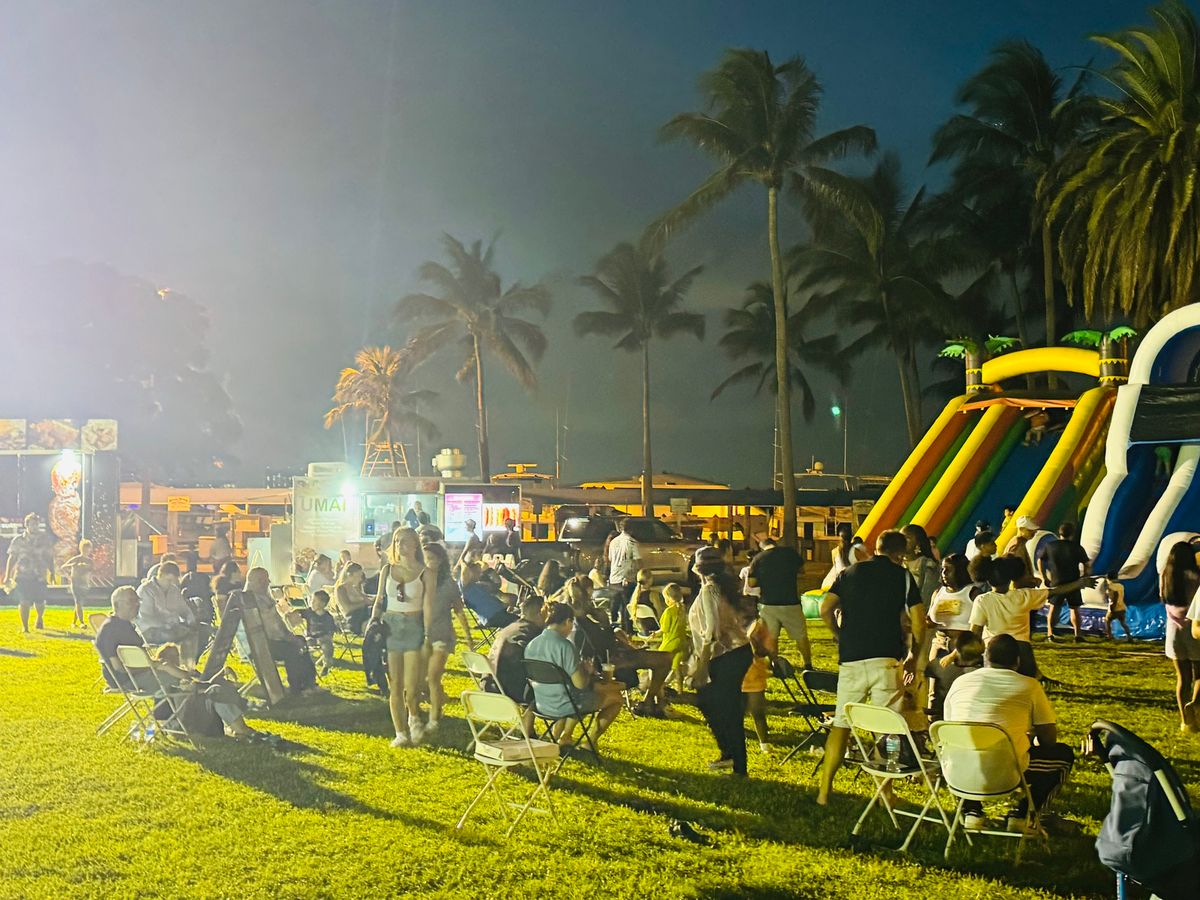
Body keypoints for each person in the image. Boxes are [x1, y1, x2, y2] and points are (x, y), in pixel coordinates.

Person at [816, 530, 926, 806]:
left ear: (876, 548)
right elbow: (918, 620)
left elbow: (824, 608)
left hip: (851, 659)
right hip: (885, 660)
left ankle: (824, 792)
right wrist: (915, 652)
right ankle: (885, 793)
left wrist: (838, 634)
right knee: (889, 729)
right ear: (901, 554)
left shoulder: (850, 572)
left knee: (841, 726)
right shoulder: (902, 576)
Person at [943, 634, 1076, 833]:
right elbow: (1049, 740)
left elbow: (949, 729)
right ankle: (1023, 815)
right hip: (1007, 774)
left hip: (957, 772)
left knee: (970, 745)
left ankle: (972, 811)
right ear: (1017, 662)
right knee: (1063, 755)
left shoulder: (960, 682)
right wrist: (1030, 739)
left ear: (985, 658)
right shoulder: (1030, 686)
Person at [95, 586, 261, 739]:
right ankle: (193, 723)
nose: (137, 604)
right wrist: (158, 666)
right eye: (132, 601)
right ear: (118, 604)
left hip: (140, 674)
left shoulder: (121, 625)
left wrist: (160, 666)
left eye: (137, 600)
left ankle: (224, 716)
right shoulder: (112, 629)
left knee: (192, 681)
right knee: (192, 684)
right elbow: (118, 667)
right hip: (129, 679)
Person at [967, 555, 1094, 679]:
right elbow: (1054, 591)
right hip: (1023, 656)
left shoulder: (982, 601)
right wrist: (1079, 583)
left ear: (988, 579)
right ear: (1011, 578)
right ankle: (1036, 677)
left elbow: (974, 634)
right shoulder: (1024, 596)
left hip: (994, 655)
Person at [564, 579, 673, 716]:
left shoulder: (571, 620)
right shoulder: (583, 625)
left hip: (606, 660)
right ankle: (649, 702)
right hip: (609, 664)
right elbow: (605, 647)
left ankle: (653, 702)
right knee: (665, 659)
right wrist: (606, 624)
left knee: (662, 659)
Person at [689, 547, 754, 776]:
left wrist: (701, 666)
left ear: (697, 569)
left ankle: (738, 765)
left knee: (725, 709)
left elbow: (711, 632)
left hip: (726, 654)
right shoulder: (723, 587)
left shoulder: (709, 590)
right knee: (711, 703)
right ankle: (729, 754)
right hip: (738, 652)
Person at [524, 601, 624, 747]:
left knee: (570, 691)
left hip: (541, 702)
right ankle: (590, 742)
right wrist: (587, 671)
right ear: (567, 621)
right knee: (616, 699)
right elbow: (581, 684)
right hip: (566, 704)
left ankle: (564, 736)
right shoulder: (565, 646)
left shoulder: (532, 644)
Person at [370, 528, 433, 747]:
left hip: (414, 626)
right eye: (397, 542)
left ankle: (414, 716)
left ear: (415, 545)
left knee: (413, 684)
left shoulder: (425, 572)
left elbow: (428, 605)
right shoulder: (387, 570)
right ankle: (400, 732)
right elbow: (379, 599)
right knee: (395, 683)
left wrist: (428, 633)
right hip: (392, 625)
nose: (401, 546)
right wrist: (373, 621)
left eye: (405, 542)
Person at [241, 567, 319, 695]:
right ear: (251, 581)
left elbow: (278, 623)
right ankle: (297, 688)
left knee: (300, 641)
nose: (266, 582)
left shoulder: (265, 597)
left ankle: (310, 683)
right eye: (262, 580)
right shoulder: (248, 601)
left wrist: (290, 635)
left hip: (272, 639)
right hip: (258, 644)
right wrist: (288, 638)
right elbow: (267, 627)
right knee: (291, 649)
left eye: (266, 579)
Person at [422, 541, 472, 732]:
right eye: (425, 558)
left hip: (441, 635)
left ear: (441, 560)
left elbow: (459, 611)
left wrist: (468, 637)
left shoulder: (448, 584)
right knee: (420, 679)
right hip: (420, 635)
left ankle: (434, 718)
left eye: (431, 559)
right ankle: (431, 704)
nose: (428, 562)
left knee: (433, 677)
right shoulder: (417, 581)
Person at [746, 533, 811, 671]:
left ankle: (775, 663)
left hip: (768, 603)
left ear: (762, 547)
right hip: (790, 602)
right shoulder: (790, 553)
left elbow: (751, 583)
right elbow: (802, 570)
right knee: (800, 635)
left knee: (772, 636)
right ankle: (807, 664)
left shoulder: (758, 559)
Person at [1160, 541, 1200, 732]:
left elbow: (1162, 597)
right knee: (1199, 674)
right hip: (1193, 629)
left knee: (1182, 678)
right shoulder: (1195, 577)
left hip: (1173, 630)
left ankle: (1186, 721)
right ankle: (1195, 703)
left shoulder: (1166, 575)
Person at [1035, 522, 1091, 642]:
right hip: (1073, 582)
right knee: (1074, 608)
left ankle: (1050, 633)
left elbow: (1040, 560)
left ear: (1059, 533)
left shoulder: (1050, 546)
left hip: (1057, 581)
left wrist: (1044, 576)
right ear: (1072, 534)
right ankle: (1078, 635)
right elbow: (1087, 564)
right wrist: (1084, 576)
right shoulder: (1076, 547)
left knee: (1053, 608)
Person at [136, 561, 200, 663]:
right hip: (150, 630)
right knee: (178, 635)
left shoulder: (174, 590)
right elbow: (146, 617)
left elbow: (184, 609)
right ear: (160, 575)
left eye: (173, 581)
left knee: (194, 634)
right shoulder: (146, 590)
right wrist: (167, 625)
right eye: (168, 580)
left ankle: (189, 666)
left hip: (172, 628)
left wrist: (191, 621)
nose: (171, 583)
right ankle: (180, 667)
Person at [488, 595, 546, 701]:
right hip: (510, 692)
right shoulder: (531, 633)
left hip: (490, 685)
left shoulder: (509, 628)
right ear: (540, 614)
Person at [5, 513, 52, 633]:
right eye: (32, 524)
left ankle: (39, 618)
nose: (34, 526)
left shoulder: (45, 539)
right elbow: (12, 558)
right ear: (26, 525)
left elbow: (49, 556)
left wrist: (52, 570)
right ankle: (25, 627)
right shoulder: (18, 540)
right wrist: (7, 576)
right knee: (24, 601)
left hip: (39, 575)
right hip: (22, 575)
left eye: (36, 524)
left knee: (39, 601)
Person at [928, 631, 984, 721]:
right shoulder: (982, 674)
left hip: (945, 725)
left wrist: (935, 648)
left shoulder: (941, 669)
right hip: (975, 723)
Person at [928, 553, 977, 655]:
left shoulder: (973, 593)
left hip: (964, 649)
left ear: (960, 571)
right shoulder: (938, 593)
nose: (943, 573)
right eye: (942, 569)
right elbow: (929, 621)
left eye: (948, 570)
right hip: (939, 646)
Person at [652, 582, 689, 694]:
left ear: (668, 597)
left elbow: (664, 629)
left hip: (670, 643)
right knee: (676, 668)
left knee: (660, 666)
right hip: (681, 642)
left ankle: (659, 686)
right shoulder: (682, 608)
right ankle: (680, 690)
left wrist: (655, 634)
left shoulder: (668, 612)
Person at [459, 562, 518, 628]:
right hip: (493, 616)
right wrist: (462, 559)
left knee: (521, 619)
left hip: (499, 613)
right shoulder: (465, 587)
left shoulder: (478, 585)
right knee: (523, 623)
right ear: (470, 573)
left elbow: (497, 587)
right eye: (478, 572)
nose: (480, 574)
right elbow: (464, 571)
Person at [607, 518, 641, 631]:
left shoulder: (613, 542)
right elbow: (637, 561)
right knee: (627, 607)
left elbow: (610, 559)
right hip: (626, 579)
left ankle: (614, 629)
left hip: (614, 578)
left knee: (615, 607)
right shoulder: (632, 542)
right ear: (632, 529)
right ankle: (628, 632)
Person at [299, 589, 337, 676]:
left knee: (328, 645)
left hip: (323, 638)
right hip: (311, 637)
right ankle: (307, 666)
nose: (311, 602)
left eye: (314, 601)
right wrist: (291, 613)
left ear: (322, 604)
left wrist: (328, 636)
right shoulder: (309, 612)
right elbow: (298, 612)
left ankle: (326, 664)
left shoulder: (328, 617)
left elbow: (331, 630)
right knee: (305, 644)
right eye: (311, 600)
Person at [822, 522, 869, 590]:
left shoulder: (834, 551)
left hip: (840, 583)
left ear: (839, 538)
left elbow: (835, 569)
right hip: (853, 582)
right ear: (851, 538)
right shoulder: (856, 551)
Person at [61, 538, 94, 628]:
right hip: (76, 584)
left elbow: (91, 573)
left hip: (85, 585)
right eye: (84, 548)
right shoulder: (77, 559)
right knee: (78, 602)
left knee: (79, 603)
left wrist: (89, 581)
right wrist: (69, 574)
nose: (86, 550)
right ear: (81, 549)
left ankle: (74, 622)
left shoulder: (90, 561)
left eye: (88, 548)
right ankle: (82, 622)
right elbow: (63, 567)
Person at [333, 562, 372, 634]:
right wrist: (364, 603)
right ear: (350, 575)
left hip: (365, 614)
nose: (360, 579)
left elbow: (367, 599)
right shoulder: (341, 589)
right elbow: (347, 608)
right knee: (373, 626)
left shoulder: (356, 588)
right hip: (354, 619)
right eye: (358, 576)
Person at [627, 569, 665, 634]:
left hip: (643, 629)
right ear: (650, 580)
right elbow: (660, 614)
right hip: (656, 629)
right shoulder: (653, 595)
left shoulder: (634, 596)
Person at [1099, 573, 1128, 640]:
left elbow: (1114, 597)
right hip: (1122, 607)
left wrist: (1112, 607)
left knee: (1107, 621)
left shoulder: (1110, 587)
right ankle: (1129, 636)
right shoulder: (1121, 586)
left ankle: (1109, 636)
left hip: (1114, 607)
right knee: (1123, 623)